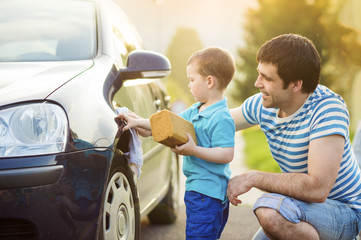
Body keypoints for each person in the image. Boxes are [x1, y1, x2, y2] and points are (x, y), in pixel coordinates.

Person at [226, 33, 361, 240]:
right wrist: (164, 126)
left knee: (270, 211)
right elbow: (217, 123)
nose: (257, 83)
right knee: (270, 215)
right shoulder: (265, 104)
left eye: (267, 78)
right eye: (259, 74)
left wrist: (253, 177)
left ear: (296, 85)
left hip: (345, 212)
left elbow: (317, 189)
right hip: (299, 207)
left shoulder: (327, 109)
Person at [117, 47, 236, 239]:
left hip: (207, 195)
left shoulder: (221, 117)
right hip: (200, 193)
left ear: (210, 81)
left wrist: (194, 150)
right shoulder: (196, 110)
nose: (189, 85)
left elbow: (226, 154)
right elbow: (164, 124)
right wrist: (139, 122)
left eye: (191, 79)